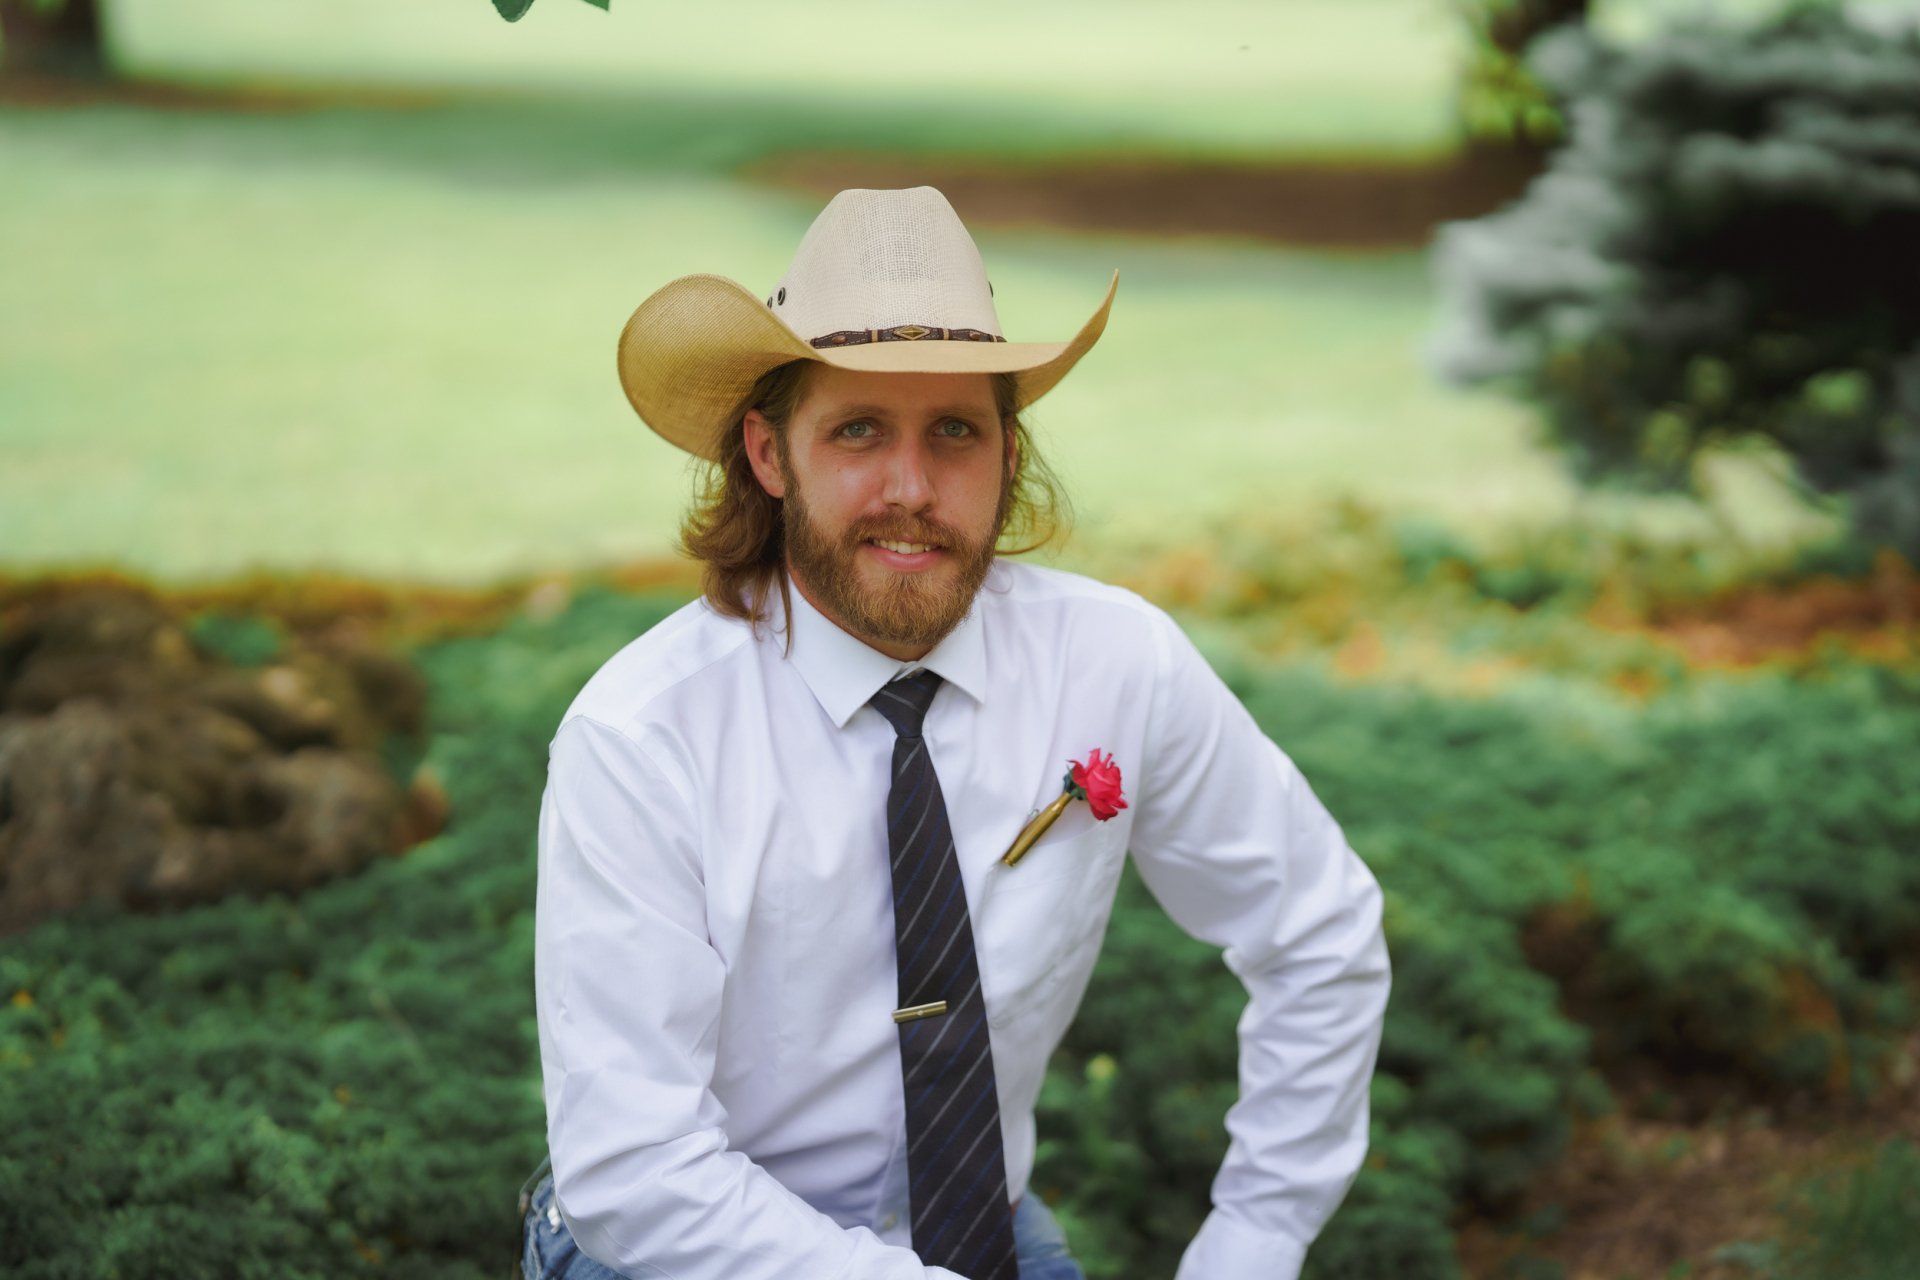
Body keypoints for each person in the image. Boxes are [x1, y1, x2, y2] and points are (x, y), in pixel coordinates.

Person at [519, 185, 1392, 1280]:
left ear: (1009, 455)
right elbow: (635, 1170)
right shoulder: (645, 733)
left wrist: (1254, 1239)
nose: (912, 488)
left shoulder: (1114, 660)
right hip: (679, 1247)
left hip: (973, 1230)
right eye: (858, 430)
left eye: (955, 432)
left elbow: (1321, 930)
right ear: (768, 452)